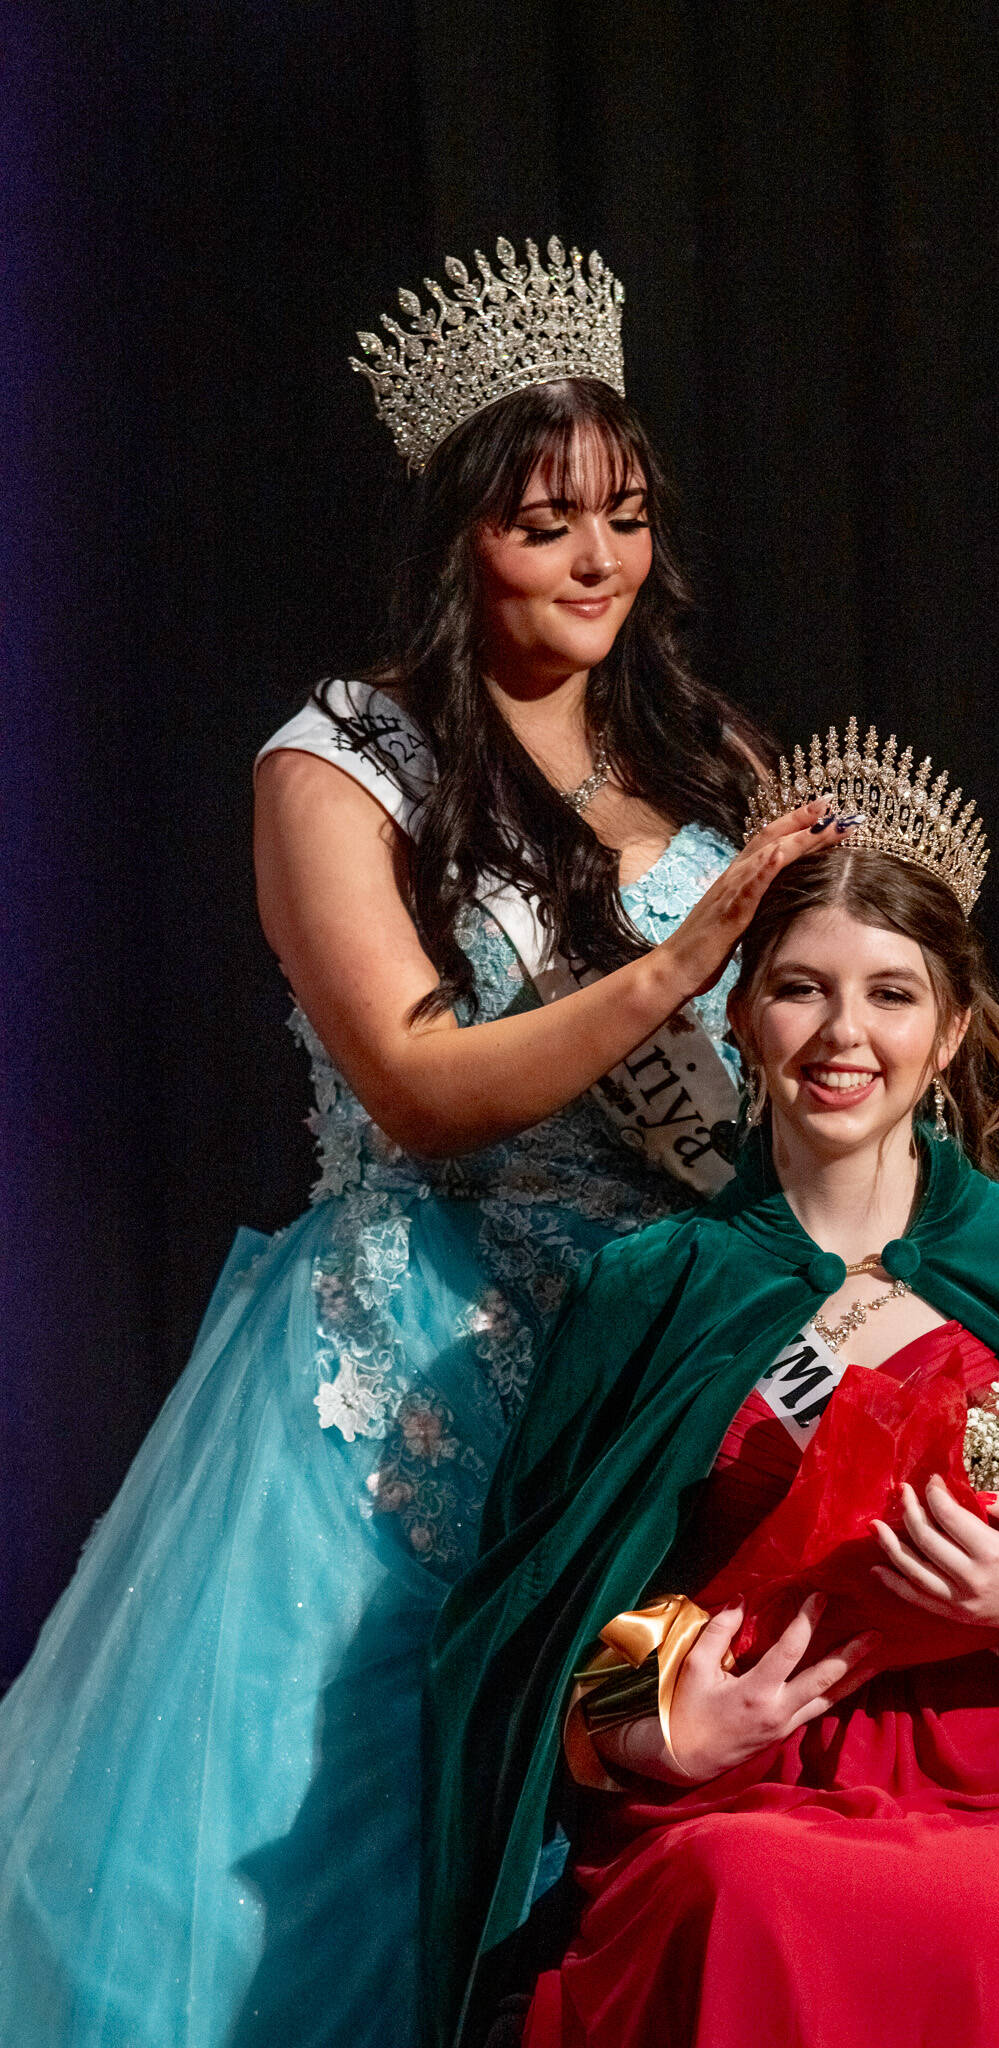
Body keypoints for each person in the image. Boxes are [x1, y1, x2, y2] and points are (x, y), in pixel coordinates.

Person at [0, 237, 844, 2048]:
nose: (600, 559)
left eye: (623, 513)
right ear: (463, 532)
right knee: (339, 1836)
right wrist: (674, 967)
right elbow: (414, 1077)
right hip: (403, 1386)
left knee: (646, 1778)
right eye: (549, 524)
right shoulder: (342, 760)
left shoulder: (699, 751)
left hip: (649, 1357)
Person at [423, 721, 999, 2048]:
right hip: (737, 1788)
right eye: (801, 988)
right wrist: (662, 1733)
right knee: (747, 1888)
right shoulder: (659, 1284)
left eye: (891, 992)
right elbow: (533, 1640)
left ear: (953, 1028)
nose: (843, 1032)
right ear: (742, 1017)